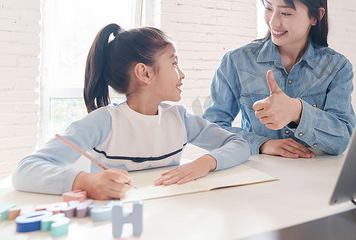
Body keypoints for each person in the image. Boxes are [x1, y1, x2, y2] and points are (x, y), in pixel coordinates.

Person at [12, 24, 250, 200]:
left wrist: (206, 162)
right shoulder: (103, 122)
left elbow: (239, 144)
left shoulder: (180, 118)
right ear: (144, 73)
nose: (182, 73)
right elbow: (25, 170)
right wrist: (86, 181)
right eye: (174, 63)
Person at [203, 0, 356, 159]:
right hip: (259, 178)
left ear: (316, 17)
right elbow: (210, 129)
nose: (273, 21)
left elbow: (342, 139)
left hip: (317, 180)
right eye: (268, 8)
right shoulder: (236, 61)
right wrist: (262, 144)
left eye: (286, 13)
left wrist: (297, 112)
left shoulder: (337, 67)